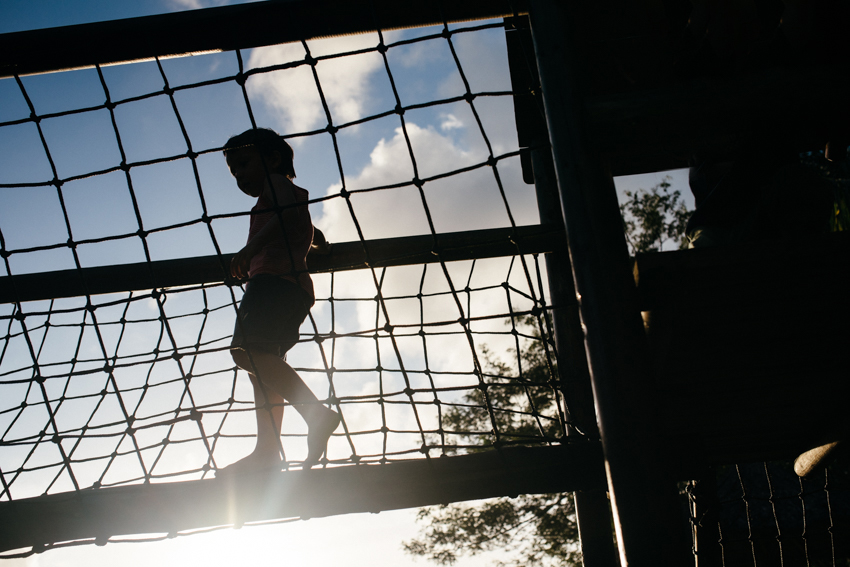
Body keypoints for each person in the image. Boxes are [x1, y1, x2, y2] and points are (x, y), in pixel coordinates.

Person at [219, 127, 339, 474]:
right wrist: (319, 243)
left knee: (246, 352)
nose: (239, 175)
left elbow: (289, 210)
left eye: (243, 163)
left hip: (274, 285)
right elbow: (303, 223)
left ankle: (315, 413)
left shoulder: (276, 185)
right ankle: (267, 451)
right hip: (291, 290)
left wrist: (252, 248)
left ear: (272, 159)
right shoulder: (275, 197)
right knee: (263, 371)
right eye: (233, 171)